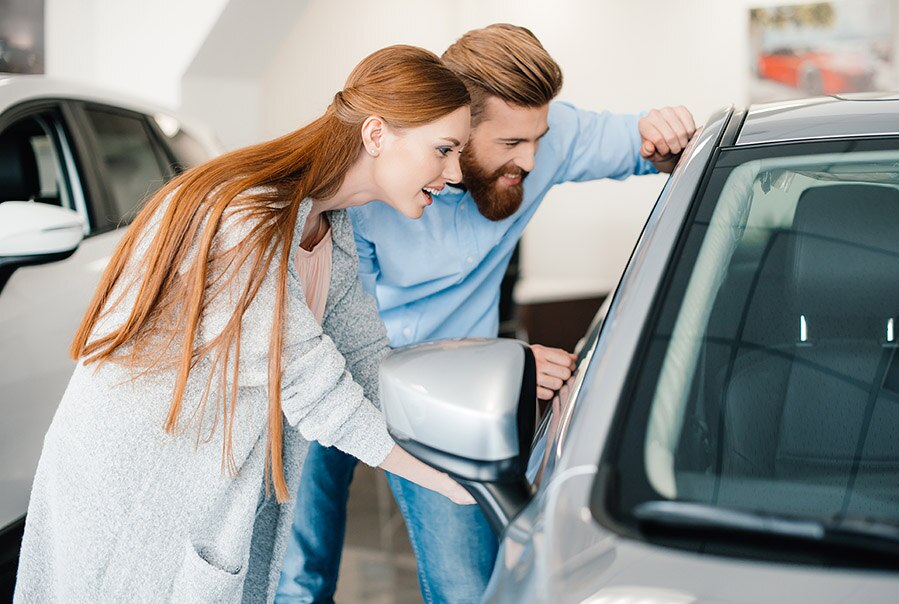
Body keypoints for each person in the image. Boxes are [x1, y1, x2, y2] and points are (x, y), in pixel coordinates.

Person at [14, 45, 474, 604]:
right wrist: (449, 484)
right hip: (136, 493)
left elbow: (367, 360)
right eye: (445, 150)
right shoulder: (247, 218)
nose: (454, 174)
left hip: (203, 483)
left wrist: (463, 436)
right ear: (377, 135)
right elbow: (311, 383)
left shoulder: (331, 227)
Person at [278, 24, 697, 604]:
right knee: (299, 574)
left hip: (447, 403)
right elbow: (357, 339)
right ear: (454, 129)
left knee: (466, 585)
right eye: (508, 145)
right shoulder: (371, 197)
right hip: (329, 373)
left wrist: (664, 128)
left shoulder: (540, 137)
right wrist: (508, 362)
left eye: (539, 139)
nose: (531, 160)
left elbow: (649, 145)